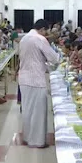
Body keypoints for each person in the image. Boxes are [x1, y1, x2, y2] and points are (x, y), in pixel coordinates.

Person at [19, 19, 59, 148]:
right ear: (42, 29)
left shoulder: (24, 38)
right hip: (36, 79)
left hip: (24, 78)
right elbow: (53, 58)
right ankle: (37, 141)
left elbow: (33, 59)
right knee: (38, 111)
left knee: (27, 110)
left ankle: (27, 137)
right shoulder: (39, 39)